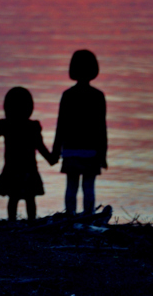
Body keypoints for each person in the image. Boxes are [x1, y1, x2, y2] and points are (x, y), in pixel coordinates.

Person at [0, 86, 56, 222]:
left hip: (14, 169)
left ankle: (12, 222)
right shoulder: (30, 128)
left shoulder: (8, 125)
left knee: (15, 198)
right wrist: (51, 159)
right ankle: (30, 222)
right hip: (27, 169)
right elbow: (41, 148)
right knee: (28, 198)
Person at [51, 49, 108, 215]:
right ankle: (88, 216)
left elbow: (60, 126)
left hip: (70, 150)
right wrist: (103, 154)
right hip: (91, 150)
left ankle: (70, 216)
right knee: (88, 187)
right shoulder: (98, 96)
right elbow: (101, 128)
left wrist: (56, 151)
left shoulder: (67, 95)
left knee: (71, 186)